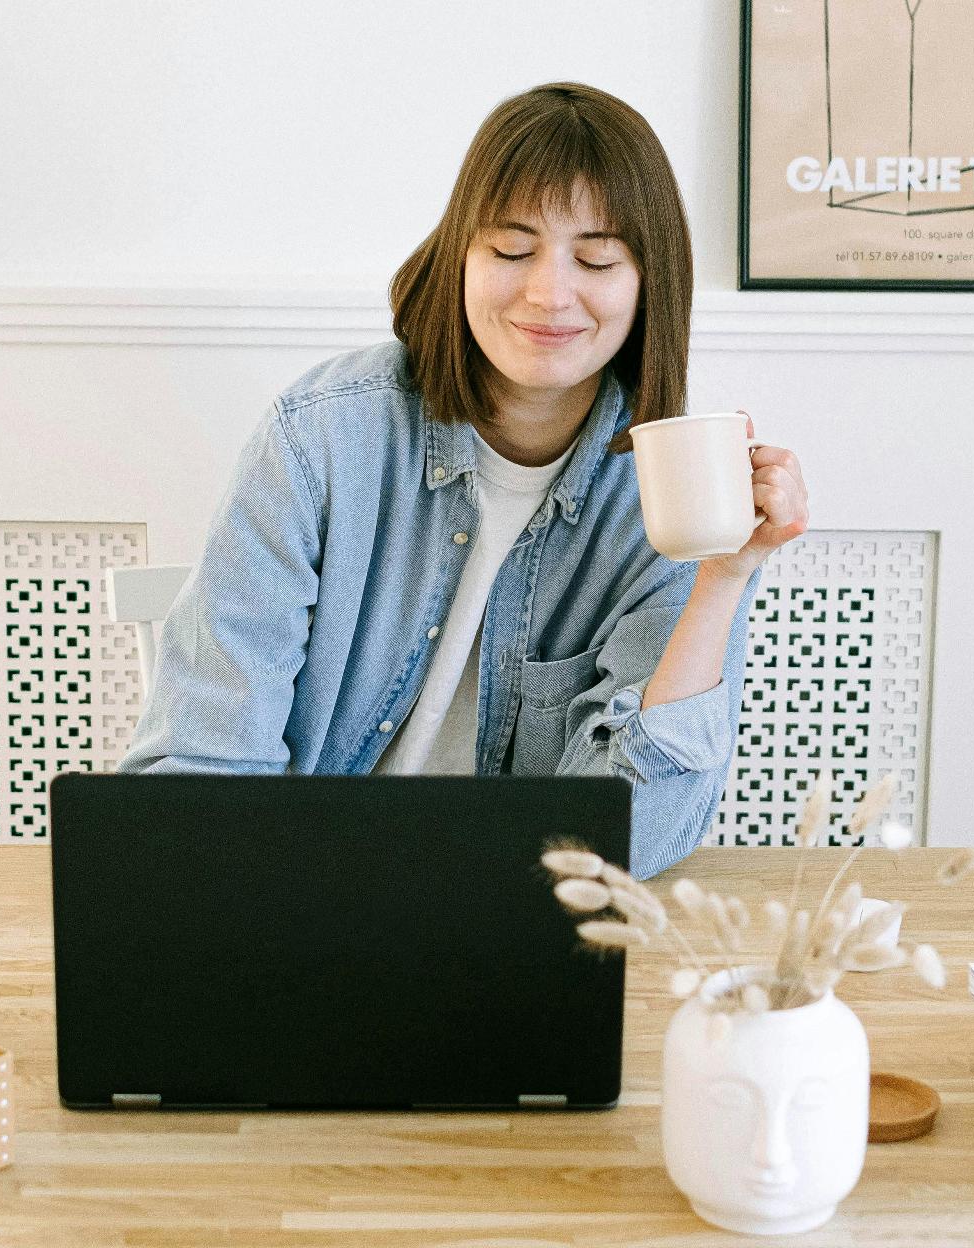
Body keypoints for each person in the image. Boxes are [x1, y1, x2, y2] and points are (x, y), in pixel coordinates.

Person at [117, 81, 808, 878]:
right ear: (459, 257)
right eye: (511, 249)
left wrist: (722, 577)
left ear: (649, 282)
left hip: (513, 922)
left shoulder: (677, 492)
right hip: (296, 893)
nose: (549, 293)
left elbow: (630, 841)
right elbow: (199, 775)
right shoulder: (321, 438)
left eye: (596, 258)